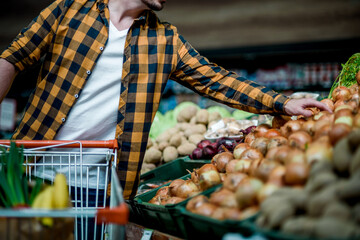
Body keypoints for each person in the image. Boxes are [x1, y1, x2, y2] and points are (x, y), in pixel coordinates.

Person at [0, 0, 331, 201]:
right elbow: (11, 60)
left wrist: (281, 103)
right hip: (28, 173)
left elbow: (218, 80)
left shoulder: (165, 40)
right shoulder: (69, 11)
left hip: (102, 190)